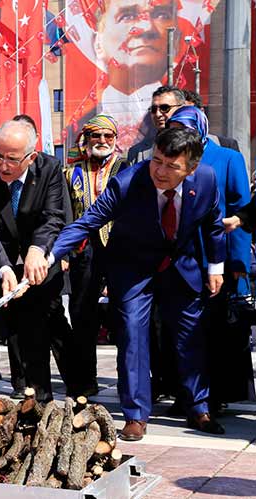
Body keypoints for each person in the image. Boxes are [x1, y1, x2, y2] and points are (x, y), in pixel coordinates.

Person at [48, 127, 226, 440]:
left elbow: (213, 224)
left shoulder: (208, 180)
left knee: (190, 338)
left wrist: (215, 267)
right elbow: (88, 221)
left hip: (180, 267)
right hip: (132, 266)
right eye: (157, 161)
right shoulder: (128, 182)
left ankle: (198, 407)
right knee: (132, 336)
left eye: (172, 166)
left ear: (192, 167)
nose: (160, 171)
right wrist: (48, 256)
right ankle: (135, 414)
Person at [0, 120, 69, 400]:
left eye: (12, 159)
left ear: (31, 157)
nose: (3, 165)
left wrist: (38, 249)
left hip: (34, 262)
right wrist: (3, 267)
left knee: (36, 331)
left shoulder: (49, 169)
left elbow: (53, 216)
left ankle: (39, 400)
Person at [166, 106, 255, 408]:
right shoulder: (169, 158)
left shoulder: (227, 159)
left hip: (218, 258)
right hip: (180, 259)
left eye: (185, 128)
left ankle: (215, 395)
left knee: (217, 332)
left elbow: (241, 208)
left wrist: (239, 265)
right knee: (183, 332)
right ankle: (186, 394)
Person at [64, 114, 127, 398]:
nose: (102, 142)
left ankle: (129, 382)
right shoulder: (70, 172)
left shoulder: (127, 169)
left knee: (126, 316)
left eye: (108, 137)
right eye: (96, 136)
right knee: (82, 316)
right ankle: (85, 381)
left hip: (120, 249)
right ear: (86, 140)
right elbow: (66, 215)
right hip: (83, 253)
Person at [77, 0, 179, 150]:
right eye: (127, 16)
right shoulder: (76, 127)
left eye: (161, 15)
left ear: (175, 40)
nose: (146, 27)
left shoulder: (180, 128)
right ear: (98, 43)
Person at [126, 86, 185, 165]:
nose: (158, 114)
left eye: (164, 108)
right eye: (154, 109)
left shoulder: (202, 145)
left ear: (182, 109)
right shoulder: (137, 152)